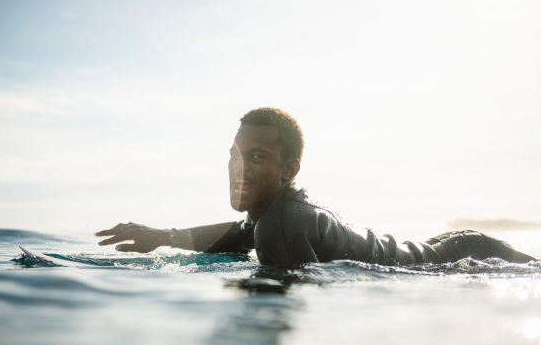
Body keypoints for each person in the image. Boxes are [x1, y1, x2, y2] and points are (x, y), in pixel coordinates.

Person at [96, 107, 537, 266]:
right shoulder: (274, 215)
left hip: (469, 255)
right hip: (450, 248)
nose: (239, 169)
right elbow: (236, 237)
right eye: (234, 154)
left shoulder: (281, 224)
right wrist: (164, 237)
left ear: (290, 169)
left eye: (257, 157)